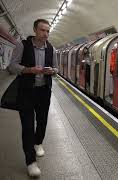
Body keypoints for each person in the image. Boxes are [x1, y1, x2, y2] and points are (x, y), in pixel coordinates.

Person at [8, 19, 58, 177]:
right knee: (28, 126)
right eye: (43, 30)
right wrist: (29, 70)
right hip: (26, 92)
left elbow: (57, 68)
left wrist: (52, 71)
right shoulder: (22, 45)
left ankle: (38, 142)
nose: (46, 34)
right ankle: (31, 162)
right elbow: (12, 66)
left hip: (44, 91)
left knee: (42, 121)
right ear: (35, 30)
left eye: (48, 31)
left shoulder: (51, 49)